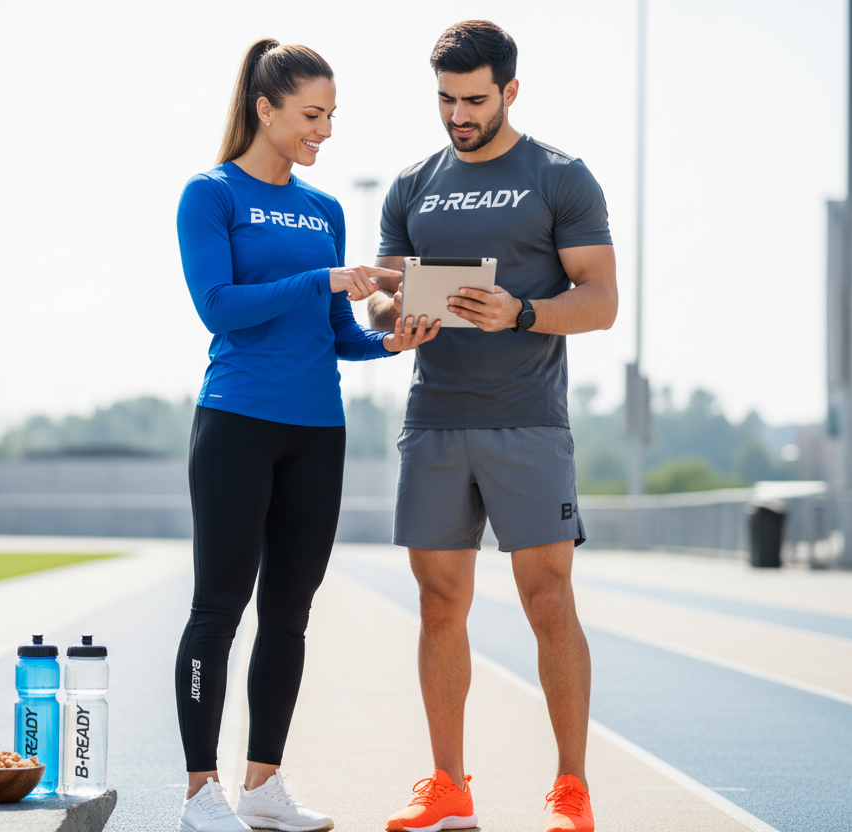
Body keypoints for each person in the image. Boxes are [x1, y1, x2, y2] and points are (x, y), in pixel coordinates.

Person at [174, 38, 439, 832]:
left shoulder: (324, 209)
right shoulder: (210, 194)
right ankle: (199, 793)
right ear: (266, 109)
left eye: (331, 117)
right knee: (218, 609)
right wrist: (323, 277)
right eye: (311, 115)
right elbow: (219, 308)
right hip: (236, 423)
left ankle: (263, 786)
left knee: (290, 613)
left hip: (318, 431)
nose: (324, 131)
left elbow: (338, 334)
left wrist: (392, 342)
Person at [366, 20, 618, 832]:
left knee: (548, 600)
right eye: (446, 99)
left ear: (510, 90)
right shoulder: (412, 185)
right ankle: (448, 786)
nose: (458, 114)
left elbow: (601, 302)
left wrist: (523, 312)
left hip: (528, 424)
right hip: (434, 420)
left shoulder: (560, 177)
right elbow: (381, 298)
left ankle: (571, 789)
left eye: (474, 100)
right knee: (440, 605)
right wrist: (396, 317)